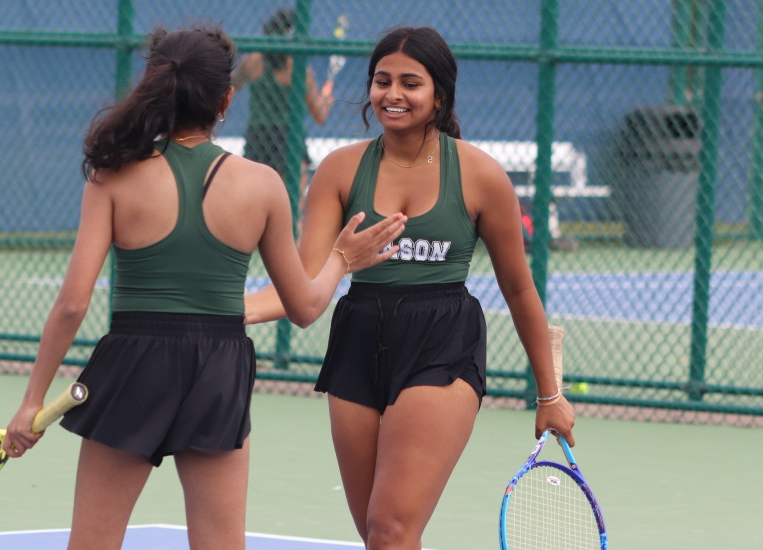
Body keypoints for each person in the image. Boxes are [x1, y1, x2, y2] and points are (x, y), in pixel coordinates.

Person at [1, 24, 406, 550]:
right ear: (226, 100)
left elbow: (72, 303)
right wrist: (341, 260)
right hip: (217, 369)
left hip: (132, 364)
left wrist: (31, 400)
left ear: (155, 90)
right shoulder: (262, 185)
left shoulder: (112, 174)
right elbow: (305, 307)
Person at [245, 27, 575, 549]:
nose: (392, 94)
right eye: (382, 81)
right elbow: (303, 286)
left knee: (392, 528)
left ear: (439, 95)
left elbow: (520, 291)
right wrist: (224, 309)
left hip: (440, 342)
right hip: (357, 337)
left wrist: (550, 394)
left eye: (410, 83)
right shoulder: (338, 169)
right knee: (378, 534)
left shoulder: (480, 174)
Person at [231, 8, 335, 221]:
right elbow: (320, 115)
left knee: (254, 207)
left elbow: (231, 86)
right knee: (292, 209)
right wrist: (326, 98)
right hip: (288, 138)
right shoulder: (298, 69)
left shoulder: (253, 61)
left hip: (258, 137)